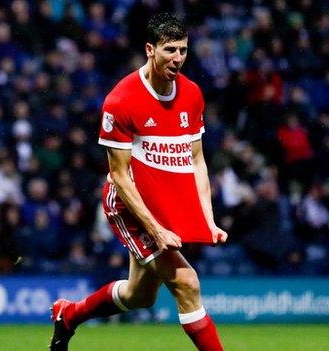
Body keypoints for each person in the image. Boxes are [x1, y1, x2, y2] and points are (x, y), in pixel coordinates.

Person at [49, 13, 227, 351]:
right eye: (170, 50)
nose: (178, 59)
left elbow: (197, 161)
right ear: (150, 49)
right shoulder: (121, 101)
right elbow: (119, 175)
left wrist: (208, 219)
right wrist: (157, 230)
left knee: (139, 295)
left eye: (184, 51)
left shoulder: (191, 94)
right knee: (187, 282)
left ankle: (68, 314)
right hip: (128, 203)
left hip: (164, 199)